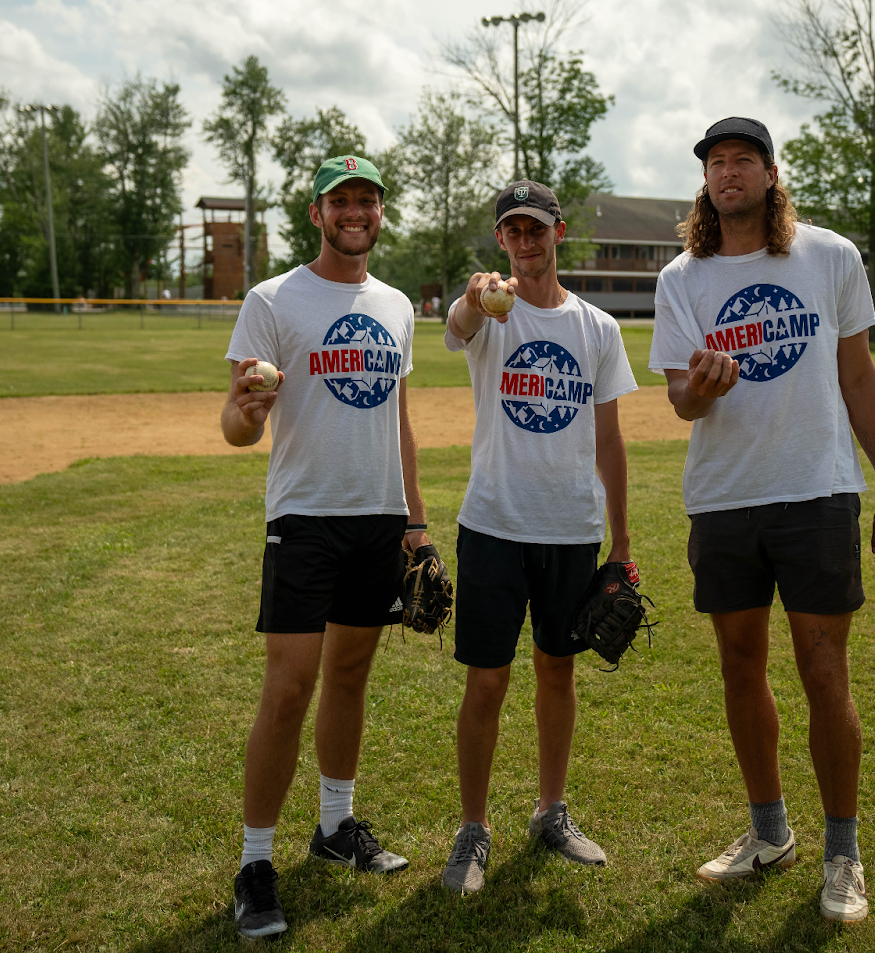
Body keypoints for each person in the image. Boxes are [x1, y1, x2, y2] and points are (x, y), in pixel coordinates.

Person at [648, 118, 875, 925]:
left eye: (742, 161)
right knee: (739, 663)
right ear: (706, 182)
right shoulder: (682, 278)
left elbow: (858, 375)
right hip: (725, 496)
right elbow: (680, 401)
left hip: (817, 492)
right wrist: (704, 389)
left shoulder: (829, 256)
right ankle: (770, 833)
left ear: (769, 174)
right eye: (715, 163)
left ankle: (843, 853)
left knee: (824, 670)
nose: (728, 174)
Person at [221, 155, 435, 940]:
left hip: (377, 517)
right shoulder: (272, 299)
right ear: (316, 213)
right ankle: (255, 862)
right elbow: (237, 426)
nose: (355, 212)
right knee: (290, 687)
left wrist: (415, 519)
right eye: (341, 201)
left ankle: (336, 827)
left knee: (350, 674)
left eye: (367, 201)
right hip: (305, 516)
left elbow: (400, 421)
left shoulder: (397, 304)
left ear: (380, 213)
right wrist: (248, 409)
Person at [438, 180, 638, 894]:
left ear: (558, 233)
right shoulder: (493, 313)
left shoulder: (597, 329)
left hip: (570, 530)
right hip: (494, 523)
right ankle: (473, 829)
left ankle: (551, 811)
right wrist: (471, 296)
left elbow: (610, 441)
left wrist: (620, 542)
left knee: (559, 669)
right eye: (512, 231)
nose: (526, 241)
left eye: (537, 229)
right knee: (487, 680)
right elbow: (456, 327)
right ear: (502, 241)